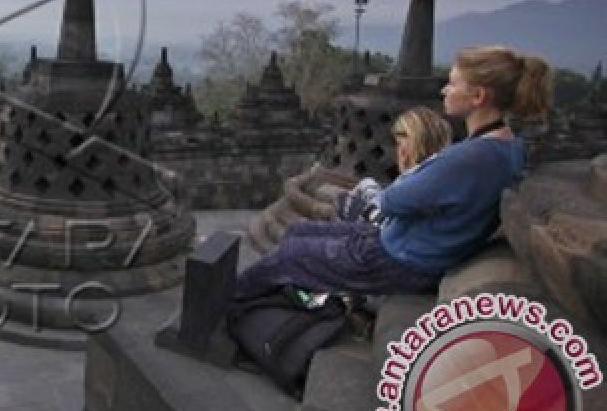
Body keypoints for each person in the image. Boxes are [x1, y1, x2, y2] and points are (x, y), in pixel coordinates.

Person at [234, 45, 552, 301]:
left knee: (290, 254)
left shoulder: (470, 157)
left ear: (478, 97)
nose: (444, 89)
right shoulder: (508, 146)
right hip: (408, 245)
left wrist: (398, 184)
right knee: (296, 233)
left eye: (453, 83)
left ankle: (223, 307)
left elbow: (393, 201)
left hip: (399, 260)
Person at [335, 106, 452, 225]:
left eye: (399, 143)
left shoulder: (415, 182)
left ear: (408, 147)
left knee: (354, 196)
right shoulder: (443, 176)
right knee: (366, 185)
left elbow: (387, 223)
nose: (398, 150)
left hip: (385, 232)